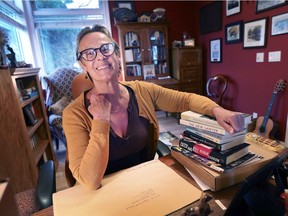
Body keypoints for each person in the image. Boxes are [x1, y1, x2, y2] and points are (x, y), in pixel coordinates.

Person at [63, 24, 245, 190]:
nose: (101, 56)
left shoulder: (142, 90)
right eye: (89, 53)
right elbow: (89, 180)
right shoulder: (73, 114)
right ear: (83, 64)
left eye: (105, 48)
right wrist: (101, 120)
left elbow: (186, 100)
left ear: (118, 54)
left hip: (147, 184)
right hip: (104, 193)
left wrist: (218, 110)